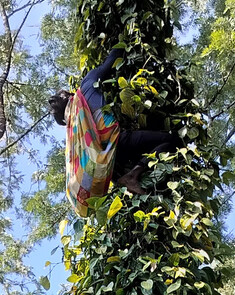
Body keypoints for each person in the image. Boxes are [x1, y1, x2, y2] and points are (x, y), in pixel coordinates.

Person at [49, 49, 175, 196]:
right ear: (68, 95)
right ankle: (134, 174)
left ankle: (131, 179)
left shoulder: (74, 132)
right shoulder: (86, 87)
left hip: (108, 165)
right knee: (171, 141)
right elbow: (110, 63)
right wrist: (120, 46)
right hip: (117, 141)